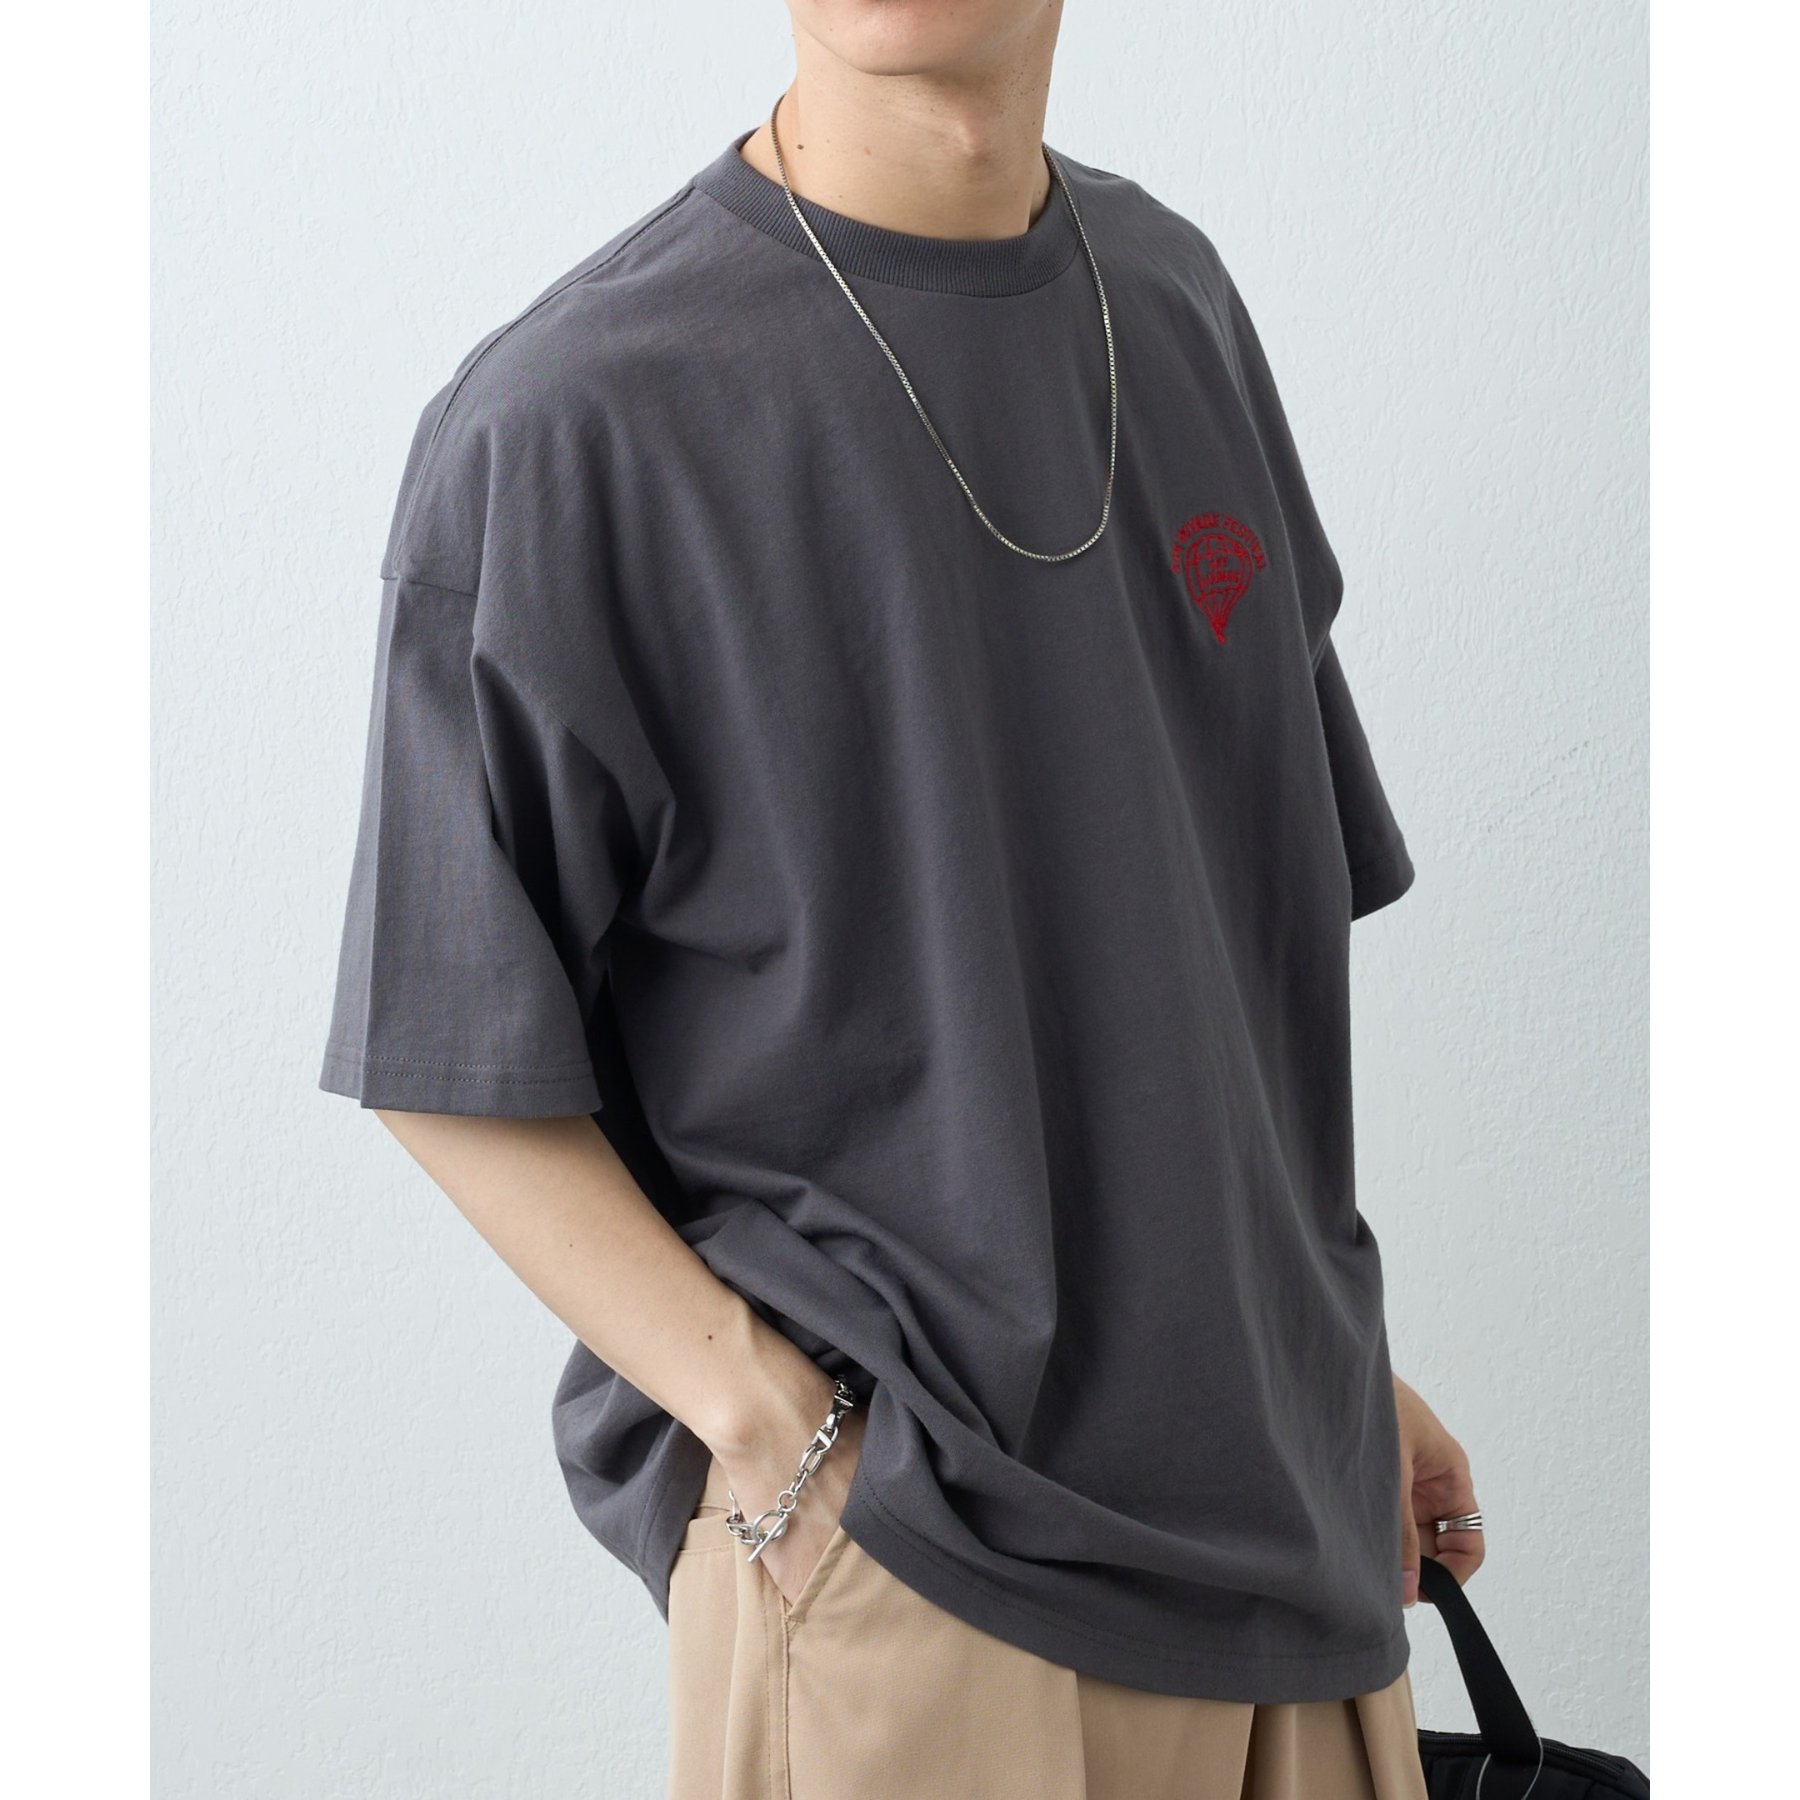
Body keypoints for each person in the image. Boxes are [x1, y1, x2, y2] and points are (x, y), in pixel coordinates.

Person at [320, 2, 1485, 1794]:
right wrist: (771, 1428)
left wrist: (1322, 1372)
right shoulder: (574, 416)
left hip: (1306, 1555)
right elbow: (445, 1044)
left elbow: (1211, 951)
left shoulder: (1173, 301)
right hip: (924, 1576)